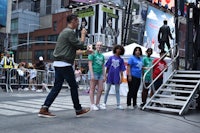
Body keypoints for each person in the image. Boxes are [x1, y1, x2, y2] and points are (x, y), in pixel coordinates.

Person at [38, 14, 92, 118]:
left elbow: (73, 52)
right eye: (77, 21)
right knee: (73, 86)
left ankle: (44, 108)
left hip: (59, 63)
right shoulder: (69, 32)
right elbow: (80, 45)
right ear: (73, 21)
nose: (79, 23)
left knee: (57, 87)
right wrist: (83, 34)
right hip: (64, 64)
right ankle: (78, 109)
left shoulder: (65, 32)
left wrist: (85, 51)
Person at [102, 45, 126, 110]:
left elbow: (121, 70)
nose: (118, 50)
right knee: (107, 90)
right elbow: (107, 67)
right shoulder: (111, 58)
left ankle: (118, 104)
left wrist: (122, 77)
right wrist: (105, 75)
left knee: (117, 90)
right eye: (117, 49)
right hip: (110, 75)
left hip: (116, 76)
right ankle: (104, 103)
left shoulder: (121, 60)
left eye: (120, 49)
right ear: (115, 49)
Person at [88, 41, 106, 111]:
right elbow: (90, 64)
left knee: (100, 89)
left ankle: (97, 103)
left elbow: (103, 66)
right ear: (95, 46)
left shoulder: (102, 56)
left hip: (100, 73)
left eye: (100, 45)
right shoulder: (92, 54)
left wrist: (104, 75)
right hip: (94, 72)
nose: (99, 46)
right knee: (92, 88)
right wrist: (92, 74)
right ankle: (92, 104)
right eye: (98, 45)